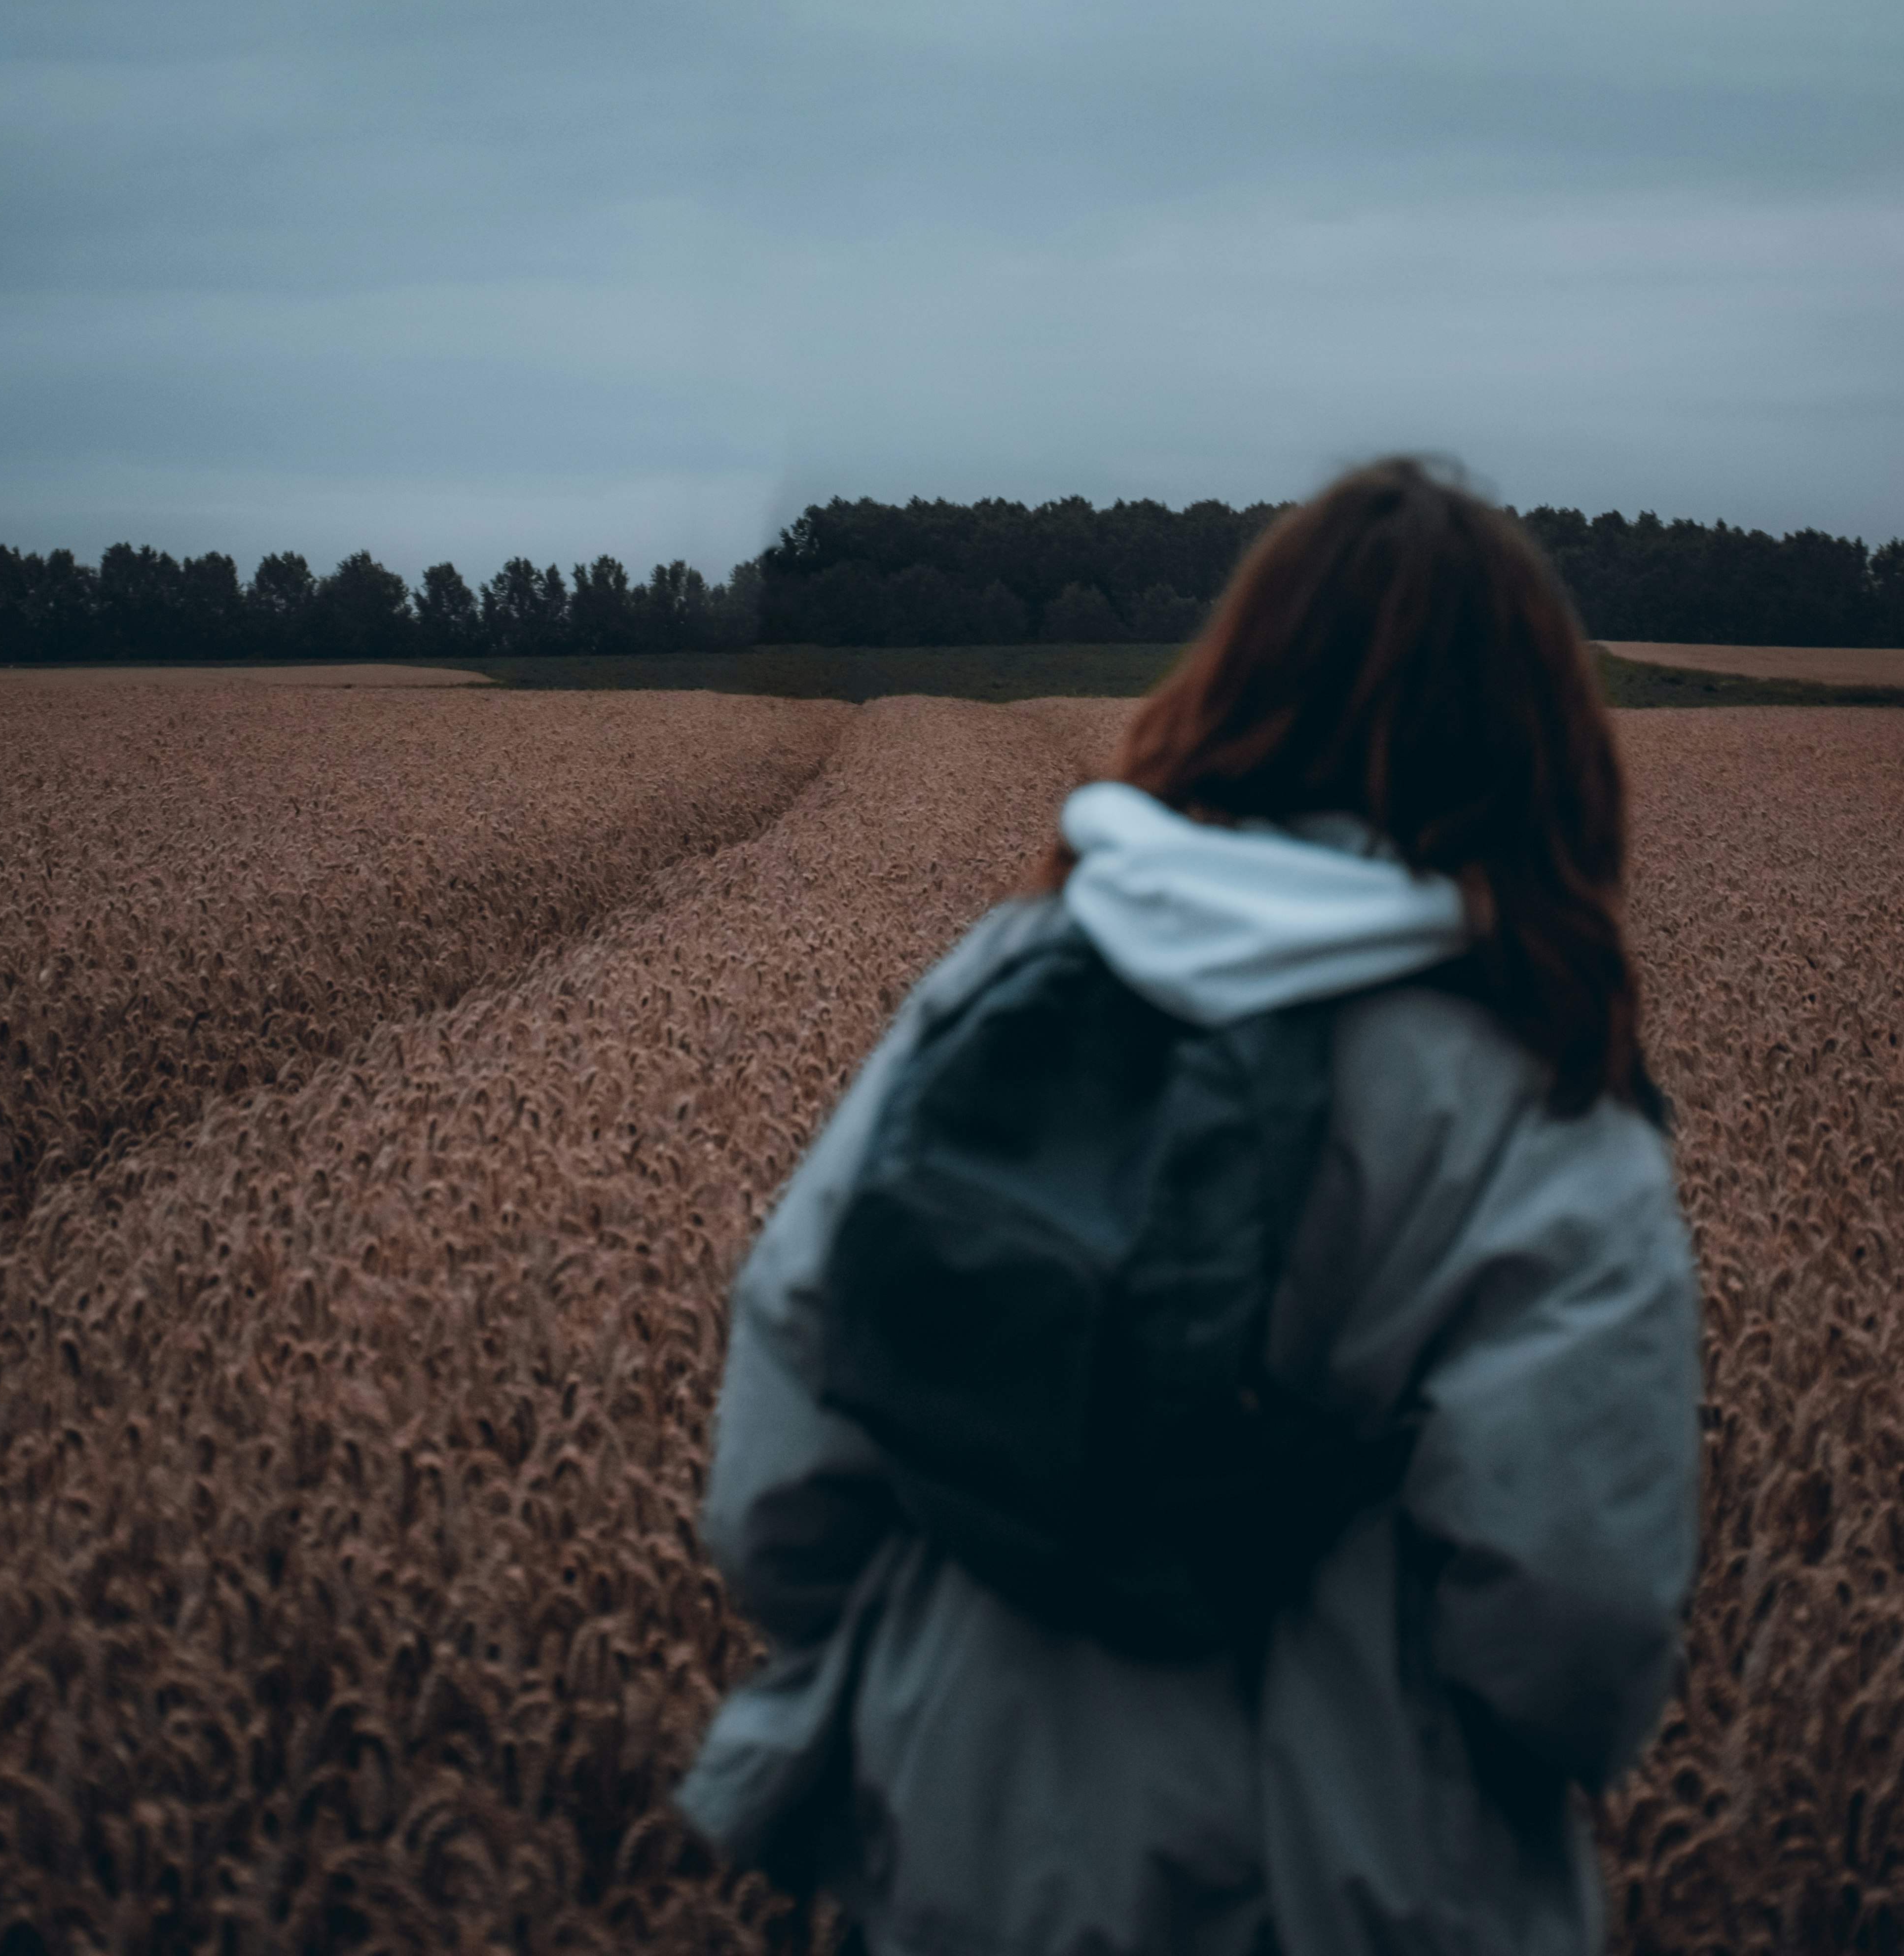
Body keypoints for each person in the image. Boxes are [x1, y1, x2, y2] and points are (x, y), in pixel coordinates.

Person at [678, 458, 1702, 1956]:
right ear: (1539, 746)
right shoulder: (1546, 1098)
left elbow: (782, 1447)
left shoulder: (1013, 976)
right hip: (1348, 1873)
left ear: (1235, 687)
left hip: (952, 1836)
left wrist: (954, 1670)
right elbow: (1575, 1626)